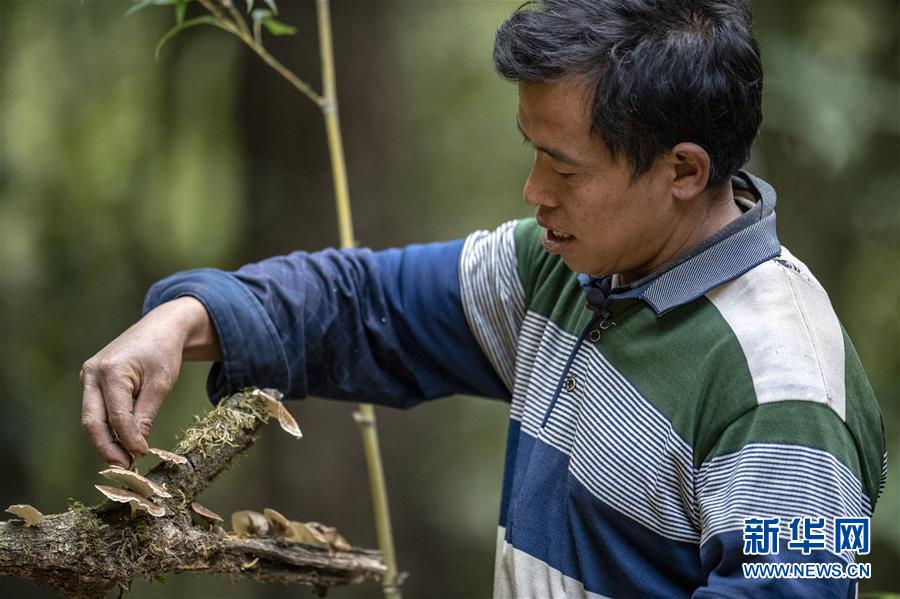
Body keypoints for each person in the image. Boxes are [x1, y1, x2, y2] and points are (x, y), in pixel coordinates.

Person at [80, 0, 886, 597]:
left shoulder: (786, 392)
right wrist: (188, 317)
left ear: (682, 171)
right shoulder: (565, 271)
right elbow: (369, 304)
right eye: (532, 155)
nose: (533, 191)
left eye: (564, 169)